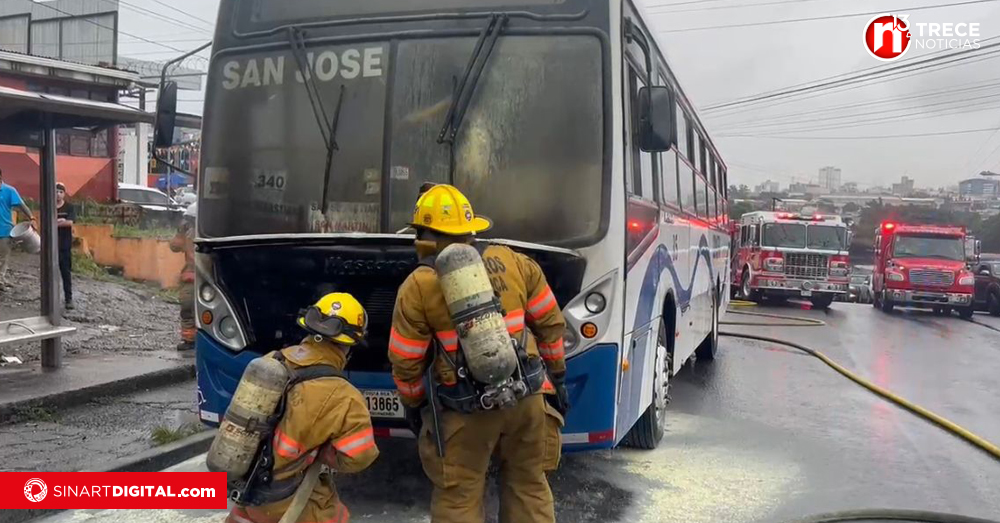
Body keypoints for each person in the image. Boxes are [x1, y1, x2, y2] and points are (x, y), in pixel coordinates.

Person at [388, 184, 569, 523]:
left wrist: (414, 406)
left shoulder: (419, 285)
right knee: (529, 487)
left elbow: (406, 360)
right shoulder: (514, 261)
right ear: (473, 228)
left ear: (421, 234)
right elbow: (550, 325)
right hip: (528, 399)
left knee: (459, 498)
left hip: (464, 412)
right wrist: (556, 379)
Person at [226, 293, 379, 523]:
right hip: (291, 501)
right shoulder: (343, 395)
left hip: (247, 496)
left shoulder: (271, 362)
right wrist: (325, 454)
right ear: (349, 346)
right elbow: (360, 456)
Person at [0, 167, 35, 290]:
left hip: (3, 230)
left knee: (3, 257)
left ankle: (1, 280)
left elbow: (21, 205)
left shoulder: (9, 191)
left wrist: (32, 217)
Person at [169, 203, 197, 351]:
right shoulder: (187, 233)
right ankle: (189, 340)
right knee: (187, 308)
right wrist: (180, 233)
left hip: (208, 276)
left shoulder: (211, 233)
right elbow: (174, 246)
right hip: (191, 276)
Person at [56, 183, 76, 310]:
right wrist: (61, 221)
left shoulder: (69, 207)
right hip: (51, 244)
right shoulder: (49, 206)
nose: (58, 194)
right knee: (49, 272)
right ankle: (50, 298)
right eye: (56, 191)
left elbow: (70, 223)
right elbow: (44, 221)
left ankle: (68, 298)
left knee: (65, 272)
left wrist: (56, 222)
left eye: (60, 192)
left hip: (64, 244)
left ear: (64, 193)